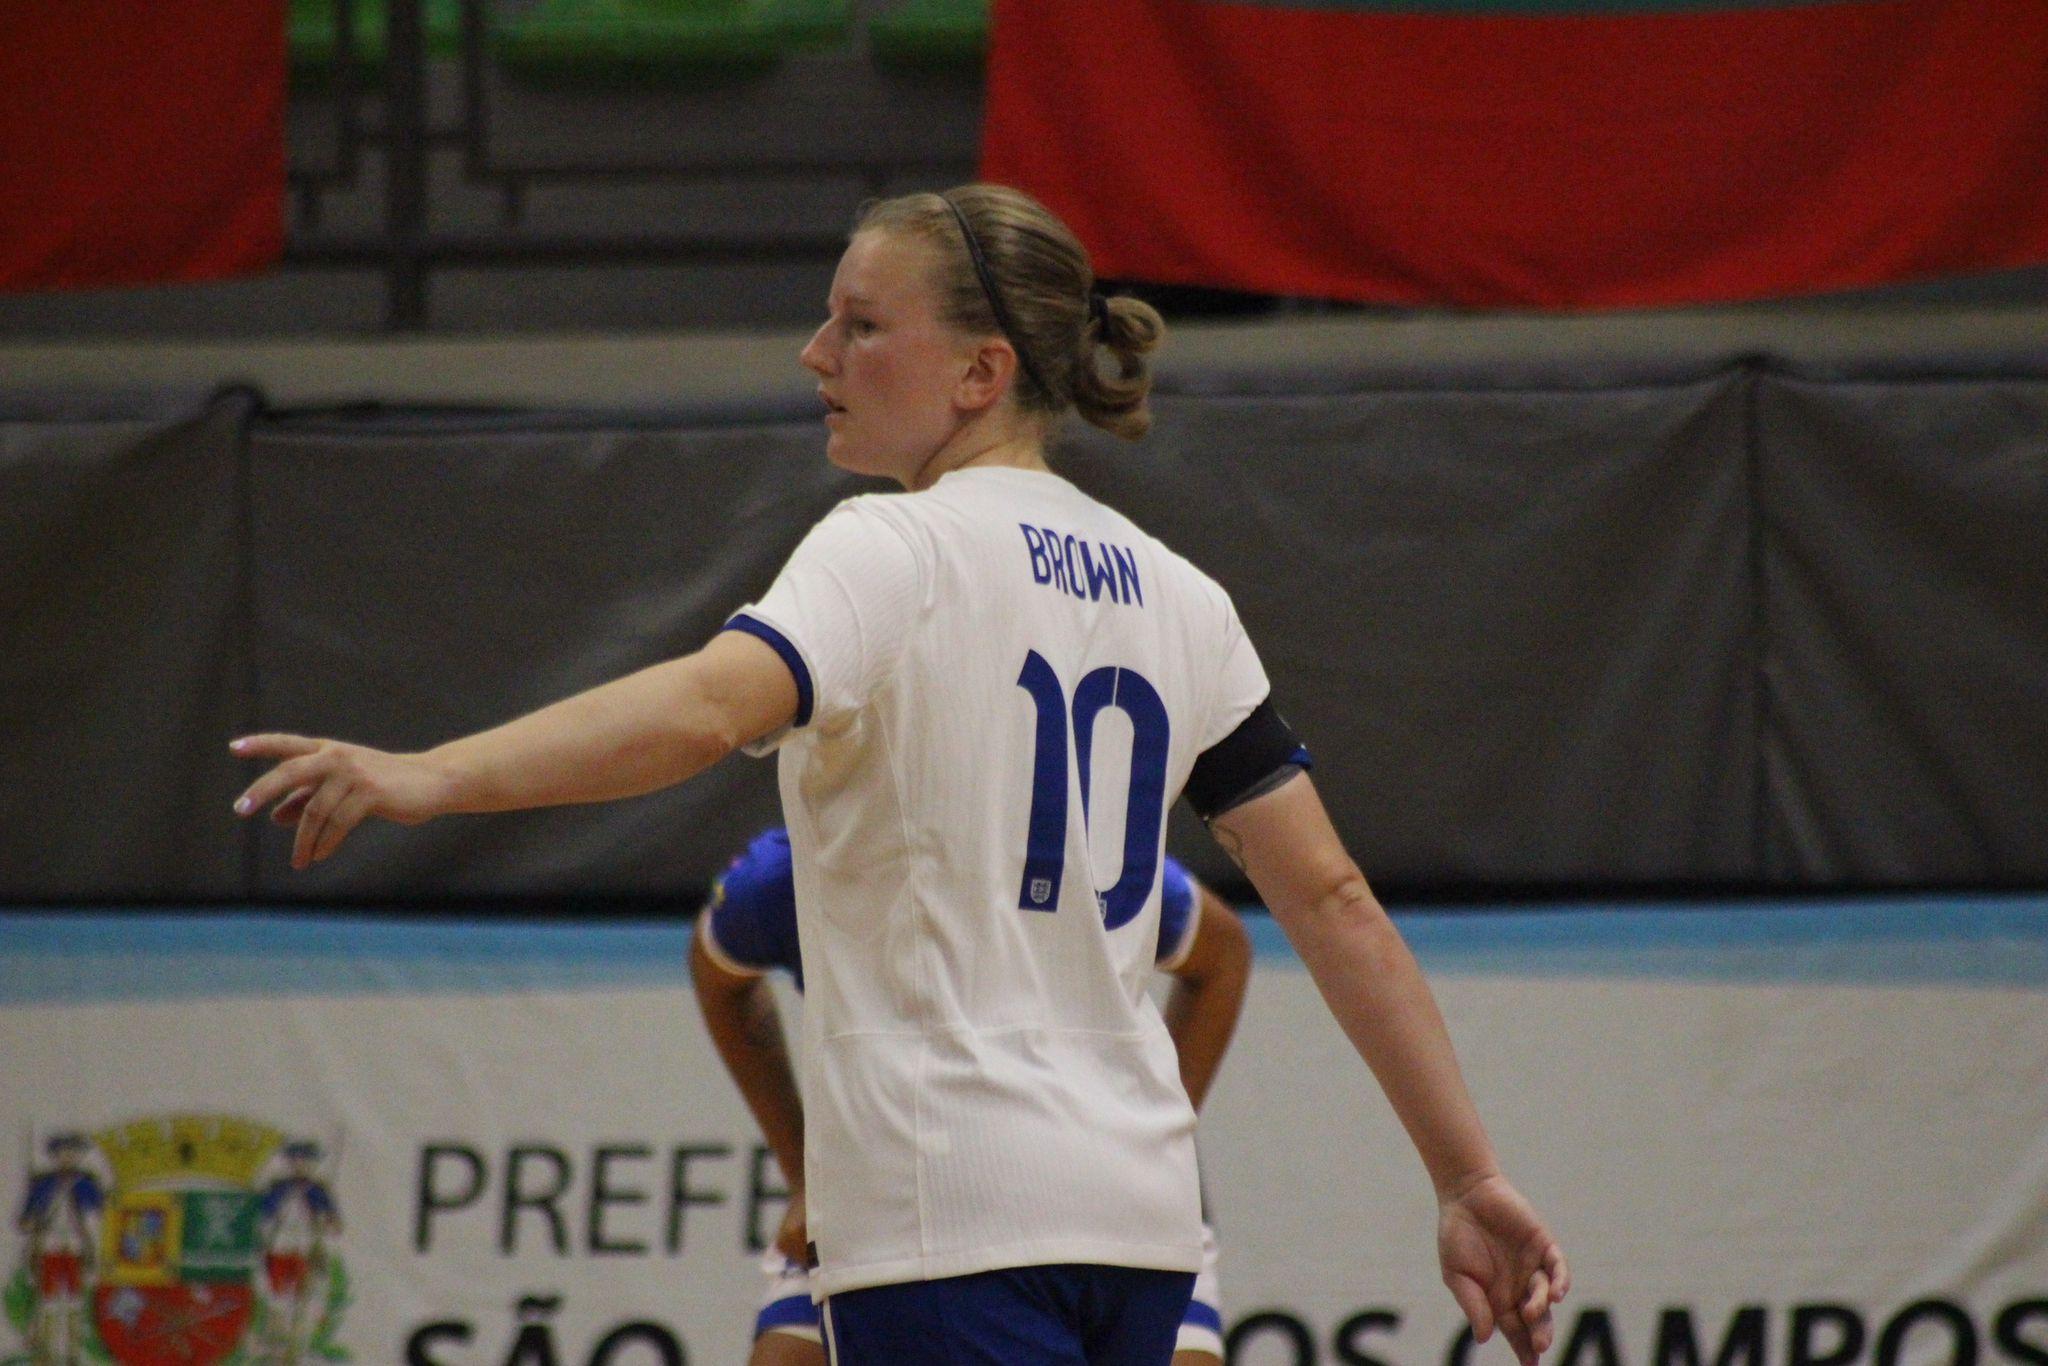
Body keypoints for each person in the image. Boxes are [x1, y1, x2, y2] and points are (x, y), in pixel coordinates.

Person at [233, 181, 1569, 1366]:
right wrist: (1465, 1175)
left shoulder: (892, 547)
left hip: (950, 1215)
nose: (817, 353)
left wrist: (427, 775)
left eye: (861, 324)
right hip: (1145, 1229)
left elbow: (702, 708)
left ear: (982, 370)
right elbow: (1332, 899)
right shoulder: (1184, 596)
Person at [694, 827, 1250, 1365]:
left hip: (1098, 1165)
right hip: (907, 1178)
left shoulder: (1056, 835)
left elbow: (1223, 951)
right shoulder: (796, 872)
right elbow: (716, 968)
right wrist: (806, 1177)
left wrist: (1155, 1131)